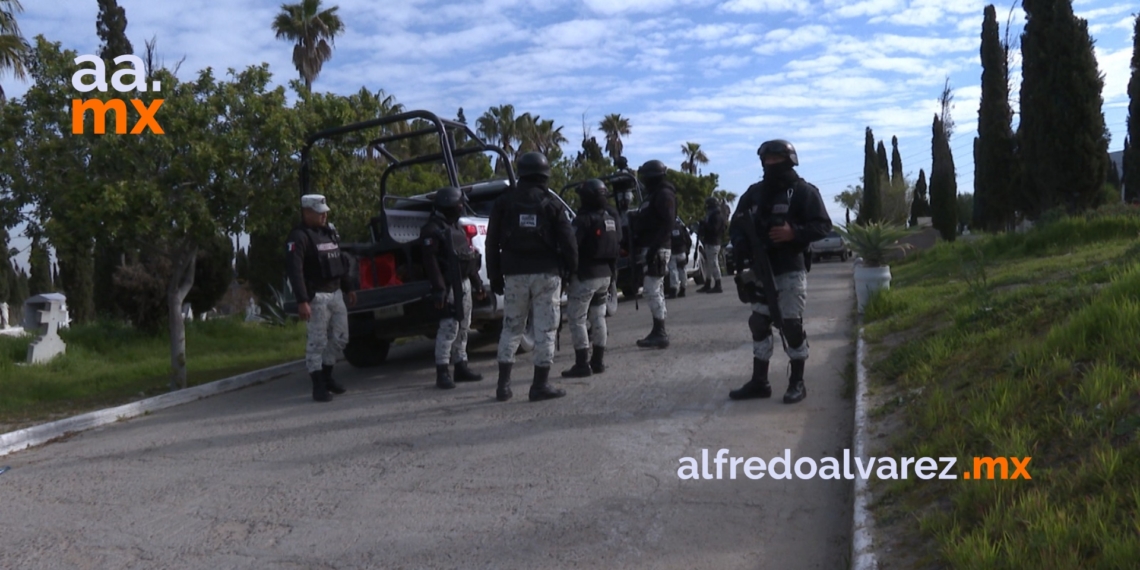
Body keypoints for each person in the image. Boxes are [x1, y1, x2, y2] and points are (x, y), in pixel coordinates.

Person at [728, 140, 831, 404]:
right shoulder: (754, 193)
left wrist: (793, 233)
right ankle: (760, 382)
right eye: (768, 160)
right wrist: (742, 243)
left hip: (789, 270)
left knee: (791, 326)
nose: (772, 164)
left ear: (789, 161)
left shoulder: (803, 192)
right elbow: (736, 224)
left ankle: (797, 382)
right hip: (761, 271)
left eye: (777, 159)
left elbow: (822, 226)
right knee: (759, 324)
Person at [486, 152, 578, 402]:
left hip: (514, 274)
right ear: (544, 175)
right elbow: (568, 240)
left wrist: (494, 275)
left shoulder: (504, 202)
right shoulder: (551, 203)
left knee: (511, 327)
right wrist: (571, 269)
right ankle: (539, 385)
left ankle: (503, 386)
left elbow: (491, 240)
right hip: (547, 275)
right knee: (546, 329)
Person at [286, 194, 358, 403]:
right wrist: (302, 300)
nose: (324, 215)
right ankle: (318, 385)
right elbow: (295, 271)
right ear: (306, 212)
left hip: (336, 294)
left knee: (341, 338)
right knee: (317, 342)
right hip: (317, 297)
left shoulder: (329, 232)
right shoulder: (299, 237)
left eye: (325, 211)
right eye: (320, 212)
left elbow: (339, 262)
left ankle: (327, 376)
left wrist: (349, 288)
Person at [421, 186, 487, 390]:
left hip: (464, 283)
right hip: (449, 286)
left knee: (464, 326)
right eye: (459, 204)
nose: (462, 207)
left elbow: (466, 257)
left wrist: (477, 283)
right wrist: (440, 289)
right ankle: (442, 371)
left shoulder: (454, 227)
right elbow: (430, 263)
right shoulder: (433, 230)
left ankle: (461, 365)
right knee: (449, 328)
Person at [561, 179, 622, 378]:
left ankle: (581, 364)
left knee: (577, 319)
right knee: (598, 317)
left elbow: (572, 246)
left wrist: (568, 271)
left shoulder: (583, 219)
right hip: (605, 275)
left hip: (586, 275)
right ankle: (598, 361)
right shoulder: (610, 218)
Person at [633, 159, 676, 349]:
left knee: (651, 289)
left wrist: (653, 248)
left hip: (657, 248)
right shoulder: (653, 195)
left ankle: (660, 331)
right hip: (652, 247)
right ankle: (658, 329)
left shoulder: (664, 194)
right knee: (655, 289)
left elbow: (667, 223)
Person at [697, 196, 726, 293]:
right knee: (709, 264)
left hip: (713, 242)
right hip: (710, 241)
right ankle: (708, 283)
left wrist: (705, 224)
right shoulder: (713, 215)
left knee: (713, 263)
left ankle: (718, 284)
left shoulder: (716, 216)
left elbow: (714, 229)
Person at [666, 215, 692, 299]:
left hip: (672, 252)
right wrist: (687, 251)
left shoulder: (667, 228)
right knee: (682, 270)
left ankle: (673, 290)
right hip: (682, 252)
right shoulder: (681, 227)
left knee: (673, 271)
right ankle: (683, 288)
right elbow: (689, 240)